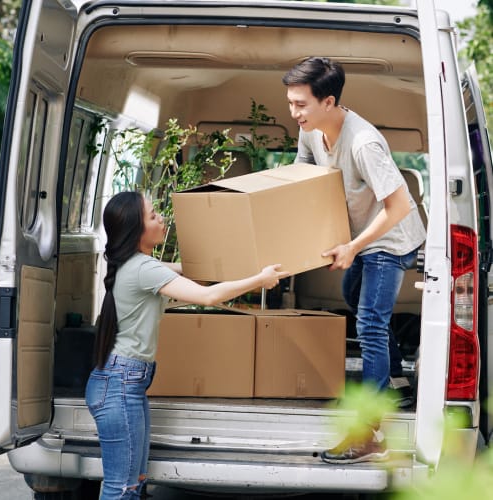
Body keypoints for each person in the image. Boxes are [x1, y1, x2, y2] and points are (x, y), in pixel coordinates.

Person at [85, 191, 288, 499]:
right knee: (121, 488)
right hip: (120, 384)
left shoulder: (139, 264)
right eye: (153, 216)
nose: (161, 218)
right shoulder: (143, 268)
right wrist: (259, 279)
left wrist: (247, 263)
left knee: (134, 482)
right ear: (135, 229)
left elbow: (192, 271)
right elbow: (208, 296)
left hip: (124, 382)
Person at [282, 57, 426, 464]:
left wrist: (352, 247)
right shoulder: (311, 132)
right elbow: (304, 166)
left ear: (328, 102)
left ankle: (369, 432)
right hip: (362, 236)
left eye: (301, 105)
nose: (294, 113)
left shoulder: (364, 143)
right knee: (354, 295)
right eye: (290, 103)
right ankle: (397, 381)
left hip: (390, 238)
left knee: (369, 323)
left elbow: (397, 207)